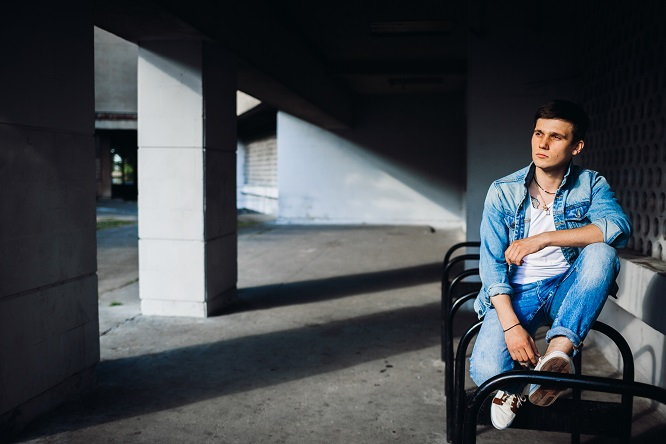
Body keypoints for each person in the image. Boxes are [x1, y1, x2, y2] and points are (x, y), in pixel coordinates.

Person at [469, 100, 632, 430]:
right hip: (518, 292)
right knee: (486, 370)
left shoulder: (590, 184)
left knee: (603, 253)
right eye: (538, 133)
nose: (542, 144)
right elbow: (491, 264)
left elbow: (618, 227)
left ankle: (558, 352)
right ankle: (535, 382)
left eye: (556, 137)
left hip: (566, 289)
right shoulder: (502, 191)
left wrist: (544, 239)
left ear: (577, 146)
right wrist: (512, 327)